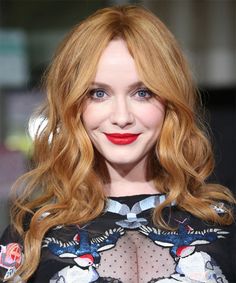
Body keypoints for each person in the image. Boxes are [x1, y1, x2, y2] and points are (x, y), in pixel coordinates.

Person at [0, 5, 235, 283]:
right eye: (99, 93)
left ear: (169, 102)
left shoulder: (224, 223)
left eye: (142, 93)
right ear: (73, 105)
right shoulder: (32, 232)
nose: (122, 117)